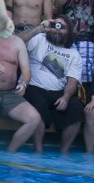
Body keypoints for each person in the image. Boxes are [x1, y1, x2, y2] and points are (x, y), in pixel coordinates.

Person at [19, 18, 85, 154]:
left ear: (69, 33)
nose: (57, 28)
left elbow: (72, 81)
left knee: (76, 108)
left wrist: (66, 97)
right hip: (33, 86)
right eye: (55, 25)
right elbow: (16, 41)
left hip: (58, 92)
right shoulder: (39, 38)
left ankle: (64, 151)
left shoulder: (74, 54)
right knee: (38, 105)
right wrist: (39, 28)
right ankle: (38, 150)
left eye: (62, 27)